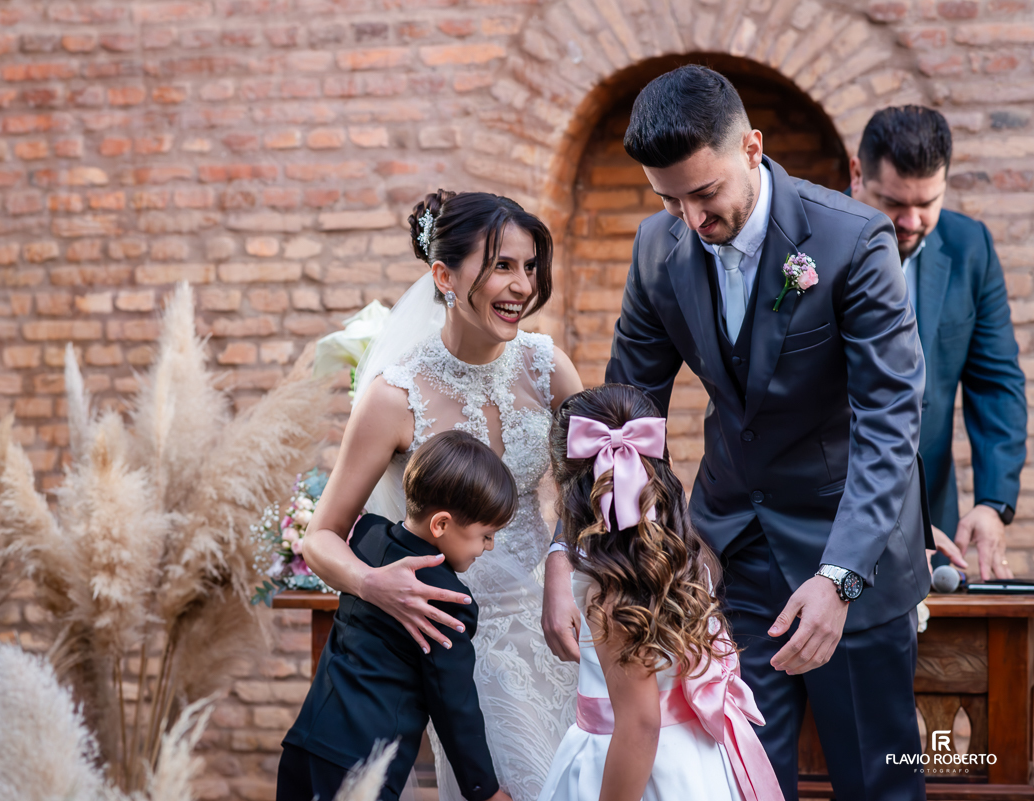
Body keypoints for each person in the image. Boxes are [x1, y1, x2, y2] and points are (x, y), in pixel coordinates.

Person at [543, 65, 928, 801]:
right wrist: (571, 547)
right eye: (669, 199)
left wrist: (842, 574)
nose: (690, 217)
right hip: (731, 557)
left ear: (752, 148)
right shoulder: (658, 251)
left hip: (854, 553)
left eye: (705, 192)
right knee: (739, 777)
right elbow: (623, 415)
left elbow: (890, 419)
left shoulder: (852, 242)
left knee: (878, 780)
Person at [304, 190, 584, 801]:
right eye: (502, 266)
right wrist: (374, 584)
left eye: (530, 266)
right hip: (463, 641)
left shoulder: (548, 368)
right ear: (444, 276)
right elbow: (320, 537)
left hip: (561, 620)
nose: (521, 286)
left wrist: (561, 570)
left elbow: (586, 494)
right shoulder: (393, 395)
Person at [539, 384, 782, 801]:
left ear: (569, 489)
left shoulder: (609, 592)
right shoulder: (684, 555)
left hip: (634, 772)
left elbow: (640, 725)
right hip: (697, 759)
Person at [280, 431, 517, 801]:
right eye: (485, 536)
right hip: (362, 768)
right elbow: (455, 705)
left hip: (306, 742)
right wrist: (483, 790)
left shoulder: (368, 537)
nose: (488, 547)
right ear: (440, 524)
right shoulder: (445, 600)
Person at [850, 105, 1026, 580]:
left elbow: (995, 384)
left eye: (927, 203)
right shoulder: (807, 244)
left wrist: (993, 503)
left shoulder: (971, 247)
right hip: (826, 527)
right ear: (856, 173)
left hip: (935, 528)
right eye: (892, 202)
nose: (910, 221)